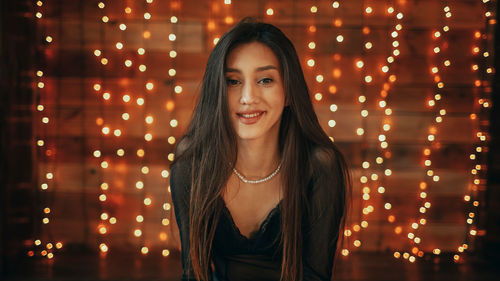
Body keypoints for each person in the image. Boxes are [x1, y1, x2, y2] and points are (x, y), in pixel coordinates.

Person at [170, 18, 350, 281]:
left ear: (289, 92)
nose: (247, 97)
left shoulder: (320, 165)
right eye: (233, 81)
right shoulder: (192, 163)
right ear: (217, 91)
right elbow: (194, 272)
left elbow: (316, 276)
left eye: (265, 80)